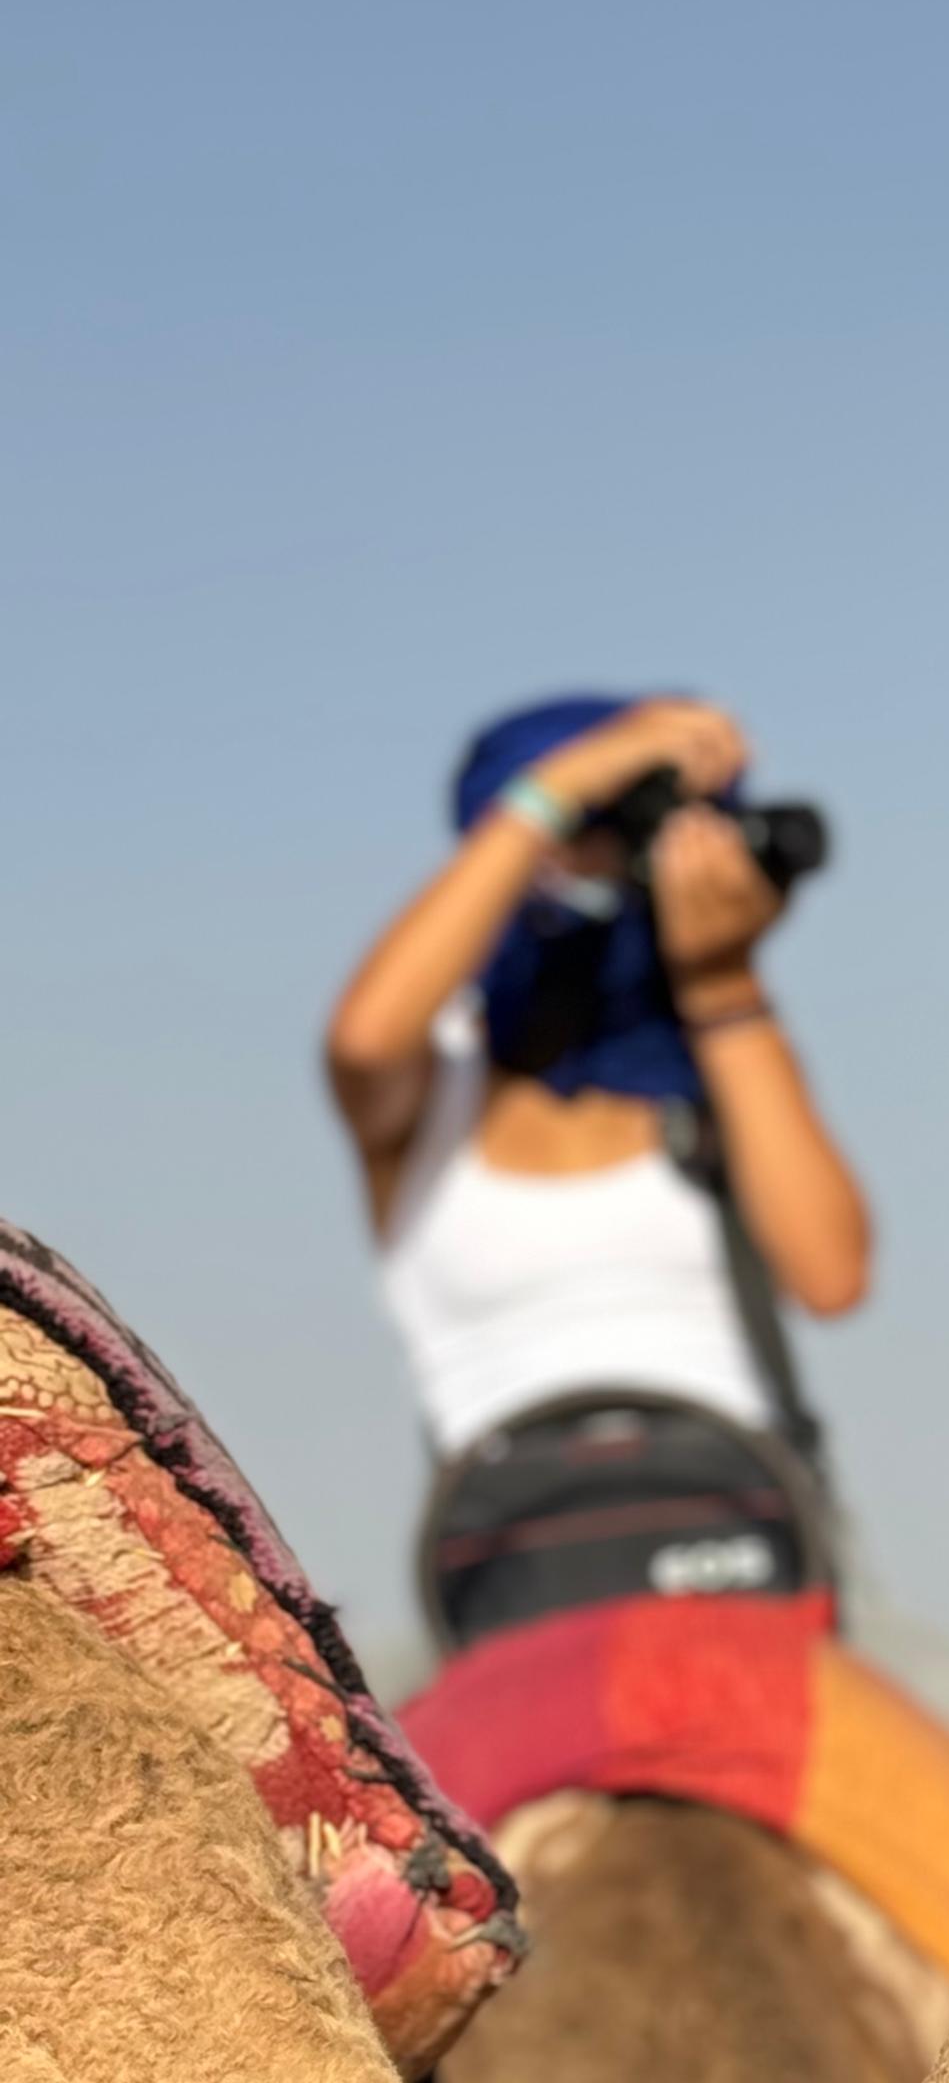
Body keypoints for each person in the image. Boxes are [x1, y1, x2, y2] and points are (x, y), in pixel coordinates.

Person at [326, 693, 869, 1644]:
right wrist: (563, 788)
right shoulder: (431, 1093)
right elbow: (364, 1041)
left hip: (746, 1553)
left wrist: (723, 986)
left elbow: (831, 1275)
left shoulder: (715, 1078)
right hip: (508, 1576)